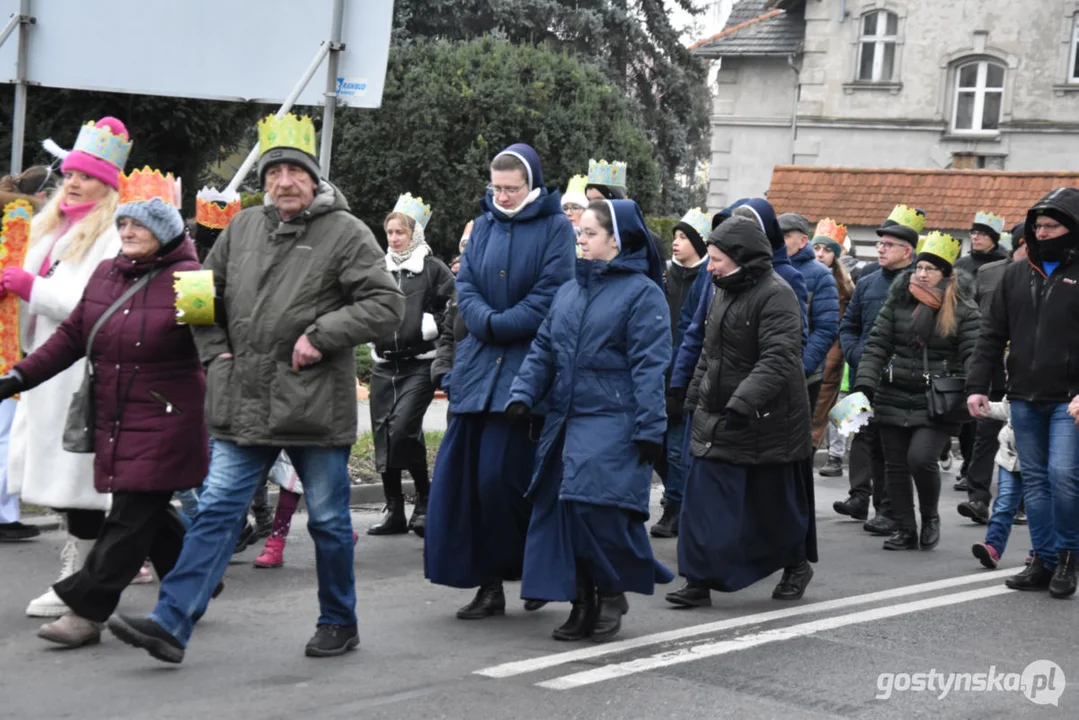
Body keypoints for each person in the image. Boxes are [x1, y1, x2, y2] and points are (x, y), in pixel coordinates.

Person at [106, 113, 404, 662]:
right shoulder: (242, 228)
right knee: (217, 509)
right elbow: (199, 294)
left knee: (332, 522)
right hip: (244, 401)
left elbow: (387, 305)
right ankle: (171, 622)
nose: (284, 181)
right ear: (263, 181)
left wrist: (321, 334)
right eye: (274, 172)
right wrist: (215, 355)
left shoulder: (346, 232)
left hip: (313, 405)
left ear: (314, 179)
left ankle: (339, 620)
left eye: (295, 171)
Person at [0, 168, 209, 647]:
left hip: (168, 419)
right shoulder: (107, 273)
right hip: (113, 414)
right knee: (146, 510)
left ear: (167, 230)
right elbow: (74, 336)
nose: (129, 232)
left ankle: (85, 609)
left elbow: (215, 346)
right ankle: (196, 580)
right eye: (124, 224)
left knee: (130, 514)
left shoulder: (194, 280)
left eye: (142, 225)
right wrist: (17, 376)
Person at [509, 199, 673, 642]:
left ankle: (612, 588)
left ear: (616, 240)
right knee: (562, 513)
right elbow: (544, 348)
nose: (579, 239)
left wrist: (650, 429)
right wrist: (523, 393)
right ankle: (583, 601)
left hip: (613, 418)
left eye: (588, 233)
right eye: (579, 232)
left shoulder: (643, 294)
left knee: (593, 510)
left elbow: (650, 366)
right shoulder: (569, 290)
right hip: (564, 416)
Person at [424, 143, 575, 620]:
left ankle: (537, 569)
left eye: (513, 189)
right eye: (497, 188)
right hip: (478, 371)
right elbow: (464, 282)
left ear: (531, 186)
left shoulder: (555, 229)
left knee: (509, 482)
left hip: (527, 373)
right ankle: (489, 585)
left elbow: (555, 292)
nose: (504, 197)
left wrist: (501, 323)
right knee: (470, 485)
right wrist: (484, 319)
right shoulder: (485, 224)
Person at [3, 117, 131, 616]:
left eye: (87, 177)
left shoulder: (111, 236)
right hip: (41, 366)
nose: (73, 182)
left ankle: (77, 576)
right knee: (64, 480)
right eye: (72, 174)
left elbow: (89, 303)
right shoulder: (49, 225)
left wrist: (29, 288)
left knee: (77, 480)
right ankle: (183, 565)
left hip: (79, 371)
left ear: (107, 186)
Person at [665, 214, 816, 608]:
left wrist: (742, 402)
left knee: (770, 507)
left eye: (716, 259)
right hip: (717, 414)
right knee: (702, 502)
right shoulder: (720, 289)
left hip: (767, 418)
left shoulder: (776, 293)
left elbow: (780, 357)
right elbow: (708, 353)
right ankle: (698, 580)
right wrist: (693, 397)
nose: (710, 266)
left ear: (740, 256)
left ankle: (796, 564)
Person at [967, 187, 1079, 598]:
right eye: (1039, 226)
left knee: (1063, 476)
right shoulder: (1014, 274)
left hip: (1069, 400)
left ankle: (1070, 556)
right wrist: (978, 386)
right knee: (1034, 482)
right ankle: (1044, 560)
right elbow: (991, 335)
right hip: (1024, 397)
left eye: (1053, 226)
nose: (1044, 233)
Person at [853, 231, 980, 551]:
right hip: (893, 394)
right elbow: (876, 348)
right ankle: (905, 528)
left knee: (921, 458)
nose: (922, 274)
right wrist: (865, 386)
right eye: (919, 268)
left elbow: (975, 355)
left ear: (945, 275)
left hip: (937, 400)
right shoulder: (897, 303)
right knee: (895, 464)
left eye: (930, 269)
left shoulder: (963, 309)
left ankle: (931, 516)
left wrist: (970, 387)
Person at [366, 193, 454, 537]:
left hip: (418, 365)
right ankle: (394, 509)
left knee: (403, 428)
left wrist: (430, 323)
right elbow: (363, 301)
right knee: (383, 434)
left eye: (400, 231)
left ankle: (425, 498)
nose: (394, 237)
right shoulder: (379, 269)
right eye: (389, 232)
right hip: (383, 365)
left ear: (414, 234)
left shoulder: (433, 268)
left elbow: (454, 306)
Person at [834, 205, 922, 533]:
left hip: (899, 380)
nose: (880, 249)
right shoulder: (867, 280)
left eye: (888, 244)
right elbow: (848, 325)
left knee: (891, 446)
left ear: (907, 251)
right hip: (863, 375)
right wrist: (858, 354)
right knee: (859, 433)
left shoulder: (919, 282)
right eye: (879, 244)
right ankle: (858, 496)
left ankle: (887, 509)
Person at [0, 164, 56, 542]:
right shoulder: (20, 228)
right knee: (6, 433)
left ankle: (7, 512)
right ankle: (3, 515)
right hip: (8, 346)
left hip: (13, 342)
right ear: (42, 196)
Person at [953, 214, 1017, 523]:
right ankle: (978, 497)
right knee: (985, 433)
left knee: (1024, 440)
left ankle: (1020, 501)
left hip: (1029, 374)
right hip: (992, 368)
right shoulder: (989, 274)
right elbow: (976, 322)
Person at [651, 208, 711, 539]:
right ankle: (678, 495)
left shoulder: (706, 279)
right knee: (657, 444)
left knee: (677, 447)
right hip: (659, 372)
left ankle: (675, 505)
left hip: (686, 375)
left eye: (684, 237)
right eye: (674, 237)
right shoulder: (665, 277)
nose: (676, 243)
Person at [779, 212, 840, 414]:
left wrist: (800, 368)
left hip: (803, 378)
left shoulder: (820, 275)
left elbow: (826, 328)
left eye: (786, 236)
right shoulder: (764, 269)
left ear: (803, 240)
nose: (779, 241)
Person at [809, 219, 855, 475]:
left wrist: (840, 352)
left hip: (833, 360)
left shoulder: (846, 287)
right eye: (817, 248)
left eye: (827, 250)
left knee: (825, 413)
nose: (820, 254)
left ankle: (834, 455)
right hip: (806, 354)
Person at [970, 398, 1026, 568]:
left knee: (1043, 507)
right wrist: (983, 407)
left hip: (1039, 459)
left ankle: (1044, 552)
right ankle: (993, 547)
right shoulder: (1017, 380)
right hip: (1009, 458)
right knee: (1003, 504)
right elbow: (1006, 409)